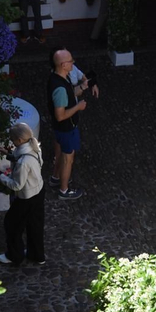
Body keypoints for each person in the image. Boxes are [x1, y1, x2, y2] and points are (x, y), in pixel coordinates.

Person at [47, 48, 97, 200]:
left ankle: (55, 178)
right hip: (66, 128)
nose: (73, 63)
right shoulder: (60, 87)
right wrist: (78, 107)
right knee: (68, 158)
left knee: (61, 154)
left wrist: (82, 87)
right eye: (70, 61)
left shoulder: (59, 78)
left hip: (60, 129)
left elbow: (70, 94)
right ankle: (64, 190)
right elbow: (60, 115)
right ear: (63, 65)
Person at [0, 121, 46, 267]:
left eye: (12, 140)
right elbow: (25, 159)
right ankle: (37, 255)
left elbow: (16, 185)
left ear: (19, 140)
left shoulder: (23, 161)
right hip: (39, 191)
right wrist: (8, 154)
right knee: (35, 225)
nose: (12, 142)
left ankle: (14, 255)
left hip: (26, 198)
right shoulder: (35, 147)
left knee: (12, 224)